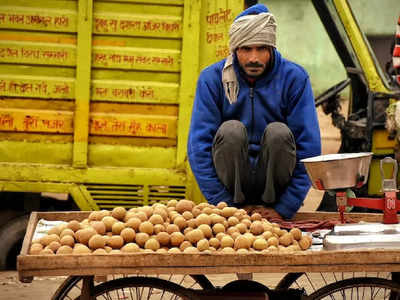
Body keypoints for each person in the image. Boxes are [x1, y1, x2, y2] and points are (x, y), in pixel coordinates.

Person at [187, 4, 321, 220]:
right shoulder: (212, 79)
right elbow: (198, 148)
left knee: (279, 133)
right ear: (234, 49)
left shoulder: (294, 78)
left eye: (262, 49)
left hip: (275, 191)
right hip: (231, 191)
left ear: (272, 48)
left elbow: (310, 149)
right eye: (246, 49)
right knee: (230, 131)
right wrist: (225, 206)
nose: (254, 58)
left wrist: (284, 208)